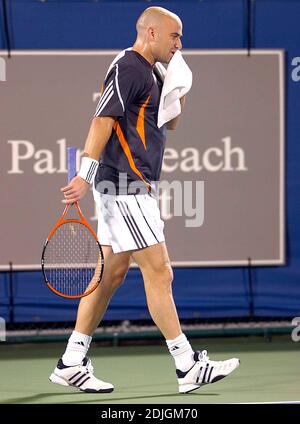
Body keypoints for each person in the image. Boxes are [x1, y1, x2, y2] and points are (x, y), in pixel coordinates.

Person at [49, 6, 239, 394]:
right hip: (124, 186)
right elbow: (102, 120)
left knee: (109, 276)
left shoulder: (153, 72)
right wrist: (84, 175)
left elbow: (170, 122)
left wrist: (178, 86)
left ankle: (71, 360)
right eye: (174, 36)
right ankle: (187, 364)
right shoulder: (129, 66)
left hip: (135, 187)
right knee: (160, 271)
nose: (179, 43)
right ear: (151, 33)